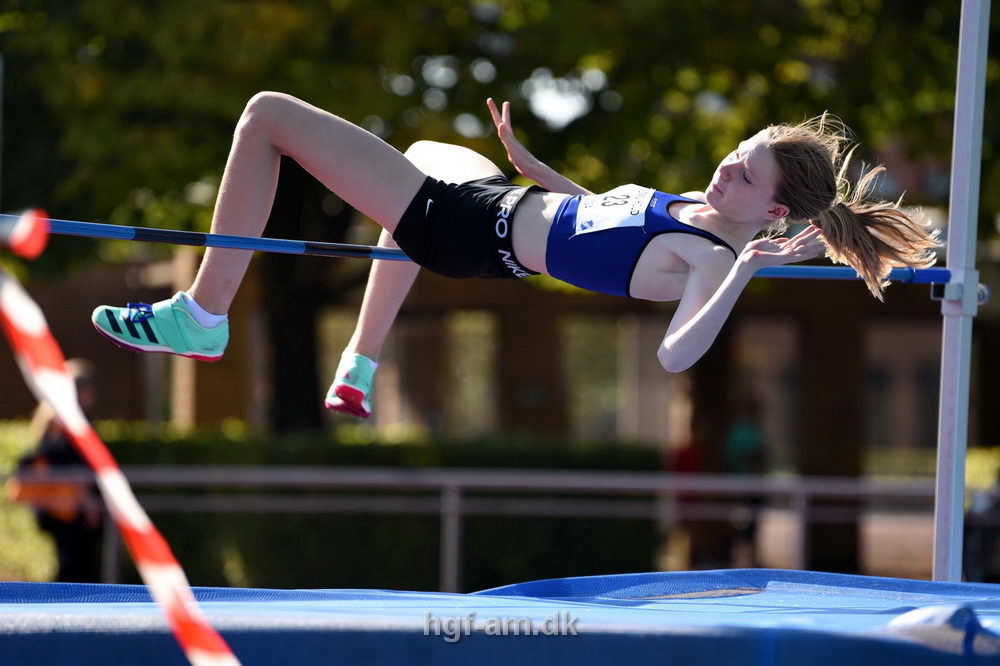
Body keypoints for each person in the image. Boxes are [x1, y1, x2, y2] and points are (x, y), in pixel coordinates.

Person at [91, 92, 939, 418]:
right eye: (736, 150)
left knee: (266, 116)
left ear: (772, 209)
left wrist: (746, 273)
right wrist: (532, 166)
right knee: (432, 147)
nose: (724, 165)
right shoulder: (692, 209)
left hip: (466, 229)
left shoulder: (713, 263)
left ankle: (202, 315)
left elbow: (677, 355)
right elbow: (597, 218)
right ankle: (358, 366)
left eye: (743, 172)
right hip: (494, 208)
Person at [11, 359, 104, 582]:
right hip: (64, 505)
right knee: (73, 566)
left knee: (82, 565)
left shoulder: (73, 418)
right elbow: (59, 460)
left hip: (72, 506)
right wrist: (86, 498)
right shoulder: (60, 419)